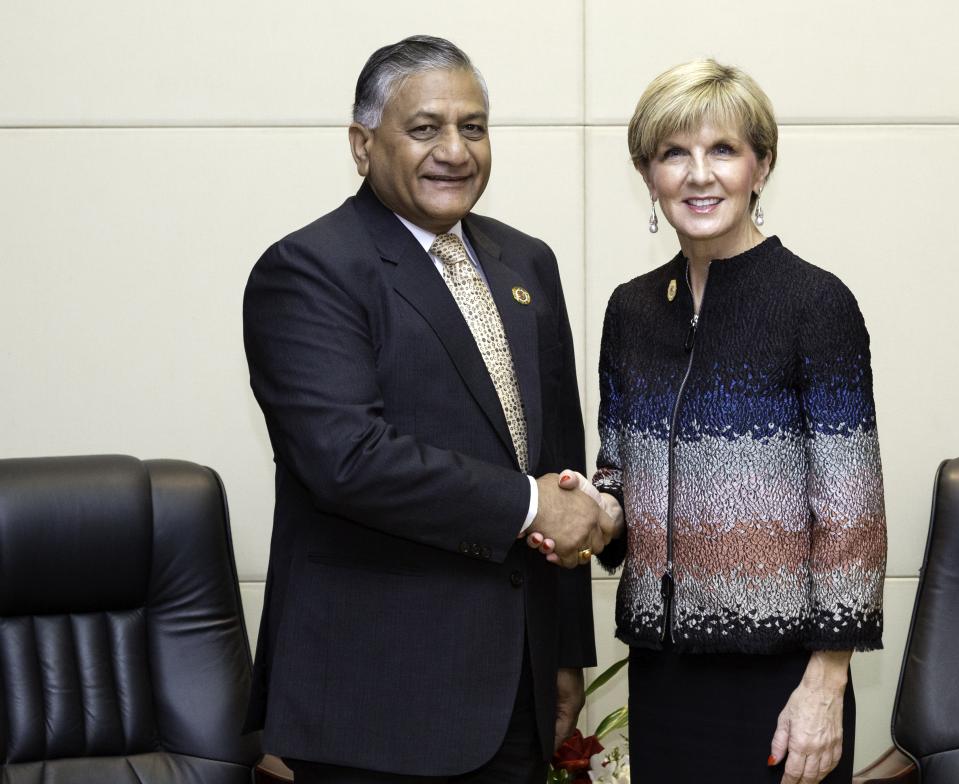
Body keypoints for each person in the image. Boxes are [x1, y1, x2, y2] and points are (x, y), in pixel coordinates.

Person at [242, 35, 612, 783]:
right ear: (362, 143)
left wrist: (568, 652)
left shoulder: (526, 262)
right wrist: (528, 507)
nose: (455, 150)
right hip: (375, 705)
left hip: (517, 696)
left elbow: (559, 469)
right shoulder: (310, 269)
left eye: (473, 127)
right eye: (425, 128)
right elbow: (347, 460)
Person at [536, 59, 887, 784]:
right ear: (648, 173)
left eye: (723, 150)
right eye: (675, 154)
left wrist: (826, 686)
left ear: (761, 165)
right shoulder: (632, 311)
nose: (700, 175)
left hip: (784, 681)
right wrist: (586, 510)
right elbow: (619, 478)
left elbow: (854, 517)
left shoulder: (815, 305)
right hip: (664, 675)